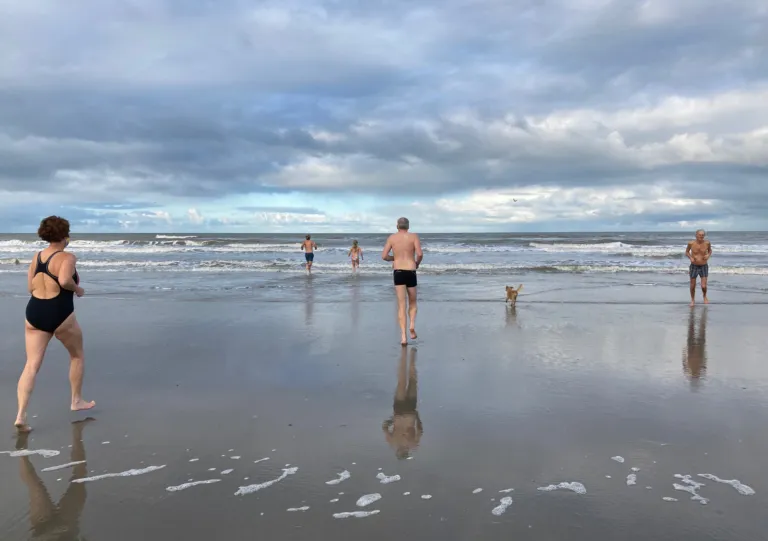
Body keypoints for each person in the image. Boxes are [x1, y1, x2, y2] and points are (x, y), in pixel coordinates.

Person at [15, 216, 95, 432]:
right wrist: (78, 290)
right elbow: (64, 281)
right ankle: (76, 400)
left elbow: (30, 287)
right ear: (65, 235)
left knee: (31, 365)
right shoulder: (67, 257)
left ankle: (21, 415)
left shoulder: (37, 256)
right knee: (76, 355)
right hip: (59, 313)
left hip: (34, 312)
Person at [381, 217, 423, 345]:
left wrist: (394, 258)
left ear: (397, 226)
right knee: (413, 302)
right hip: (411, 270)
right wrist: (417, 263)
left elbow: (384, 256)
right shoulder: (414, 236)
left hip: (398, 271)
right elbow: (420, 254)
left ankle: (404, 337)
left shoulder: (392, 238)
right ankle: (412, 325)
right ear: (408, 226)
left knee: (401, 305)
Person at [382, 347, 423, 459]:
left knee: (411, 380)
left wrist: (417, 416)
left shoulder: (412, 444)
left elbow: (420, 430)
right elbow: (385, 427)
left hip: (409, 411)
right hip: (400, 411)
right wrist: (393, 418)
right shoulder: (393, 442)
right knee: (402, 381)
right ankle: (406, 357)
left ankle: (410, 357)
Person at [685, 229, 713, 306]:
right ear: (696, 235)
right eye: (700, 235)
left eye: (703, 235)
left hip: (703, 265)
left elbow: (710, 251)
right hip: (694, 266)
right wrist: (690, 258)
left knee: (703, 286)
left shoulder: (707, 243)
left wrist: (708, 255)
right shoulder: (691, 243)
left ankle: (704, 296)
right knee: (692, 285)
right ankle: (692, 300)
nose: (701, 236)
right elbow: (687, 252)